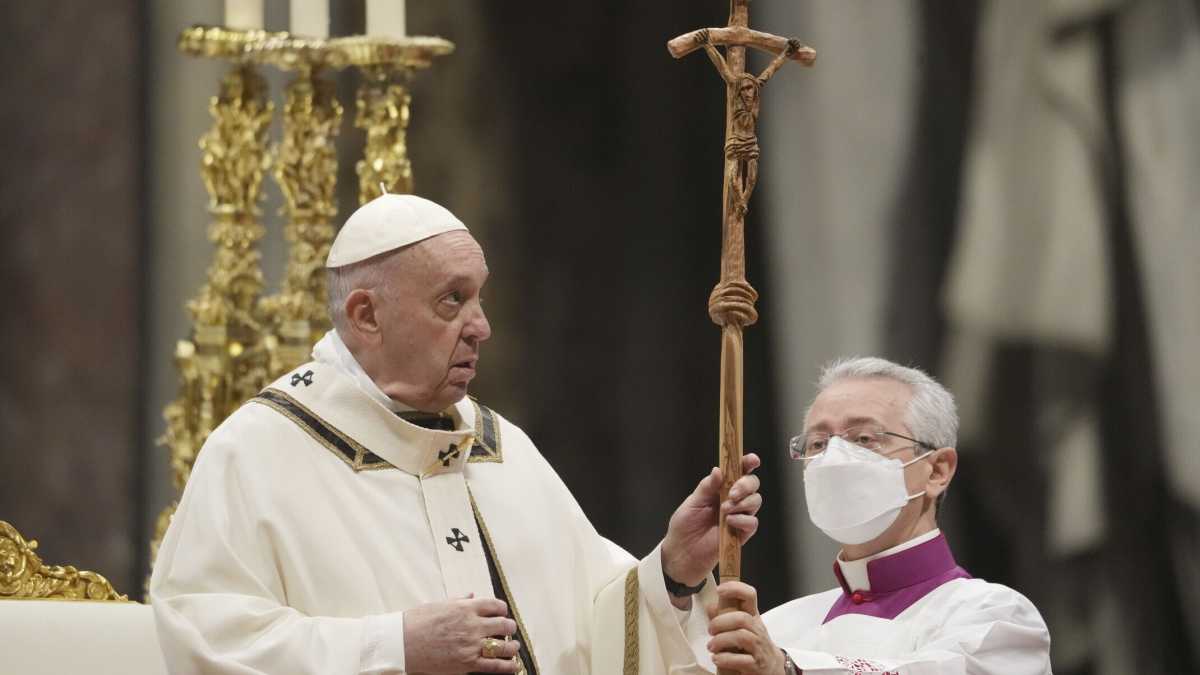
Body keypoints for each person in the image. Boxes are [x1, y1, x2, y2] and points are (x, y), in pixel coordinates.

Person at [150, 194, 762, 675]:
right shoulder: (260, 451)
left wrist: (673, 572)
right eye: (452, 301)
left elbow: (592, 629)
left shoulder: (502, 448)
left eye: (480, 297)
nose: (482, 327)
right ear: (366, 315)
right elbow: (205, 642)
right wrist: (395, 647)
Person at [705, 357, 1051, 674]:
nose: (835, 459)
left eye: (865, 438)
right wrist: (680, 571)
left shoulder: (996, 617)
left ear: (937, 471)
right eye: (818, 444)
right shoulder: (777, 627)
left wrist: (789, 669)